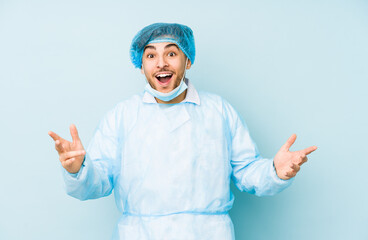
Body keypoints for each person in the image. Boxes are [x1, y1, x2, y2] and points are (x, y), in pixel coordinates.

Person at [48, 23, 317, 240]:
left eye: (171, 53)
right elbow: (98, 181)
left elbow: (246, 170)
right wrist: (78, 169)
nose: (161, 63)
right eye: (151, 55)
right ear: (141, 65)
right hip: (139, 234)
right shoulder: (122, 116)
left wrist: (274, 172)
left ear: (187, 61)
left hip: (209, 234)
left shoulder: (218, 111)